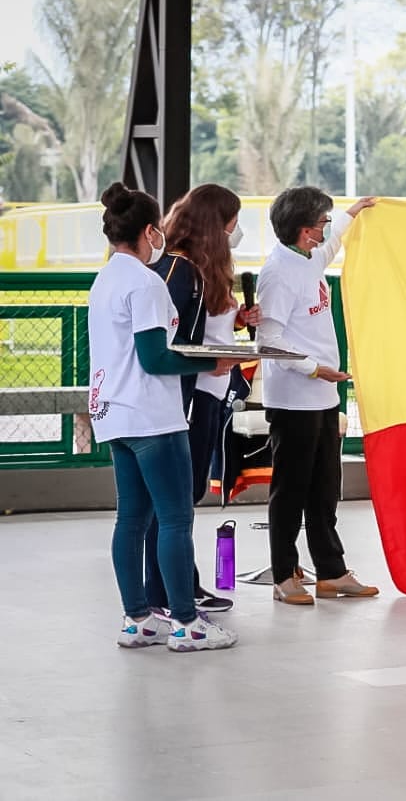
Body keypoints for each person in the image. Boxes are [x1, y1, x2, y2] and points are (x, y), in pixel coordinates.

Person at [88, 181, 239, 651]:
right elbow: (155, 358)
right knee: (175, 520)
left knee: (130, 521)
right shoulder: (146, 283)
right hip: (153, 416)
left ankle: (138, 619)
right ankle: (188, 624)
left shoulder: (105, 279)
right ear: (151, 231)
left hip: (114, 413)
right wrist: (210, 363)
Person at [256, 187, 379, 605]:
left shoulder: (311, 257)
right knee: (290, 490)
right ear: (306, 231)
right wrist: (313, 368)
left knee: (325, 489)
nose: (328, 228)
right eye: (322, 223)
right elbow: (268, 338)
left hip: (324, 396)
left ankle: (332, 571)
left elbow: (335, 241)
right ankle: (284, 574)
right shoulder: (277, 273)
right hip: (294, 398)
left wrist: (354, 212)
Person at [142, 184, 262, 613]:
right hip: (190, 397)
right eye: (233, 221)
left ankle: (178, 583)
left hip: (210, 393)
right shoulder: (180, 272)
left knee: (184, 496)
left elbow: (210, 330)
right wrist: (210, 363)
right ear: (217, 225)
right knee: (175, 500)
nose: (237, 230)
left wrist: (239, 318)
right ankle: (164, 591)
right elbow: (175, 343)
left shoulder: (202, 270)